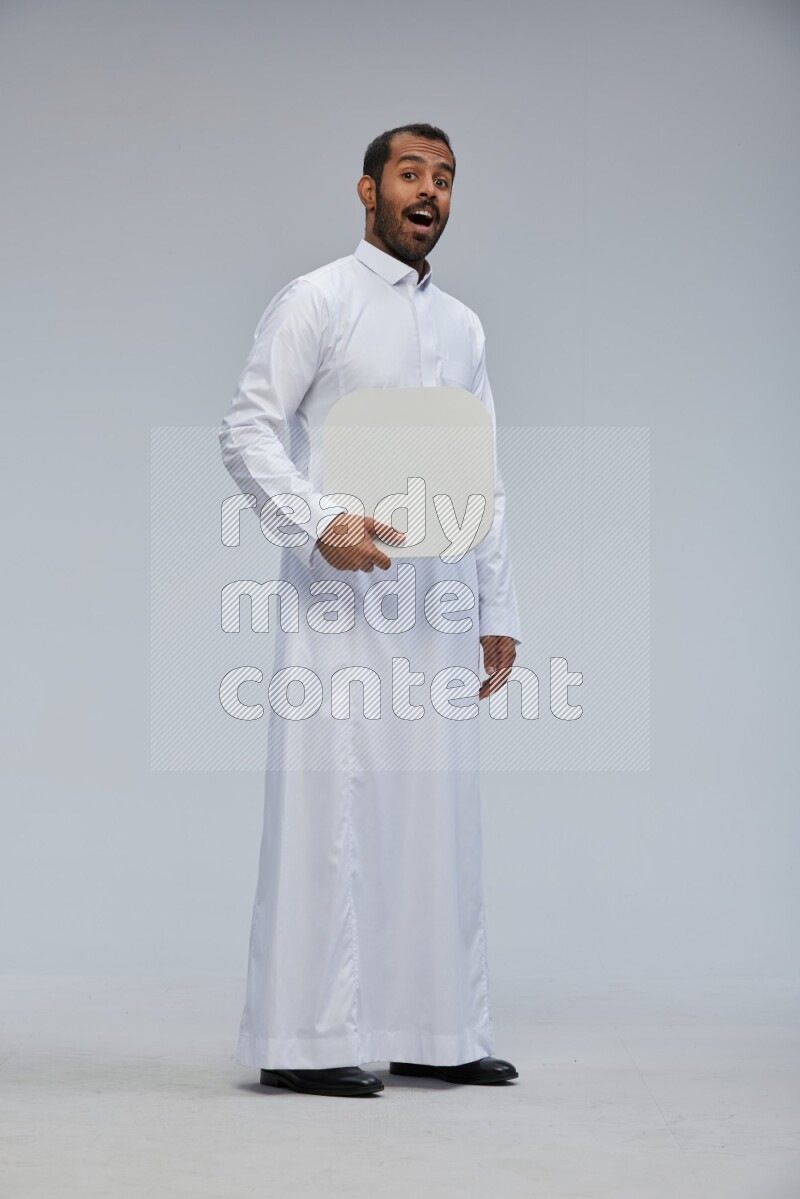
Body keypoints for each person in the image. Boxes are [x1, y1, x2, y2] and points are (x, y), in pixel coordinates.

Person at [218, 123, 523, 1097]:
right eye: (409, 173)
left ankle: (437, 1027)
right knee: (330, 811)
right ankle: (302, 1039)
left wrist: (497, 603)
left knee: (439, 815)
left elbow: (483, 470)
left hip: (438, 601)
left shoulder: (464, 328)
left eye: (444, 178)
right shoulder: (318, 299)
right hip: (341, 603)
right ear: (367, 189)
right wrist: (317, 523)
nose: (428, 191)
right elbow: (247, 428)